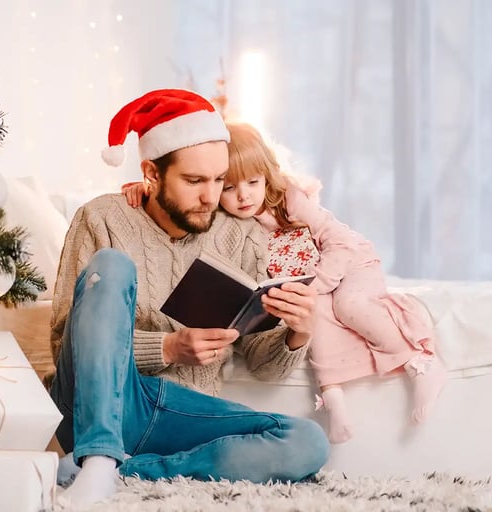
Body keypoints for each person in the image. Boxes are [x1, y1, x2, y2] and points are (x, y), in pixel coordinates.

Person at [49, 89, 329, 510]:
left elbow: (261, 362)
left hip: (181, 412)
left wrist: (298, 333)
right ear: (152, 174)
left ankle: (124, 471)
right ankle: (99, 452)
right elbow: (64, 342)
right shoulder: (103, 218)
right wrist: (167, 348)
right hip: (99, 404)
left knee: (306, 441)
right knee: (113, 264)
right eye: (195, 181)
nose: (211, 197)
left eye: (219, 180)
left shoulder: (241, 234)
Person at [124, 121, 448, 445]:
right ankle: (334, 402)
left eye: (253, 182)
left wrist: (316, 286)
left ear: (267, 175)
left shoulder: (289, 200)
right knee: (312, 323)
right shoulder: (229, 222)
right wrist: (144, 189)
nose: (243, 196)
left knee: (349, 305)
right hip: (311, 284)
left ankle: (419, 362)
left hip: (350, 264)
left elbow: (340, 243)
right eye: (229, 188)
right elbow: (178, 202)